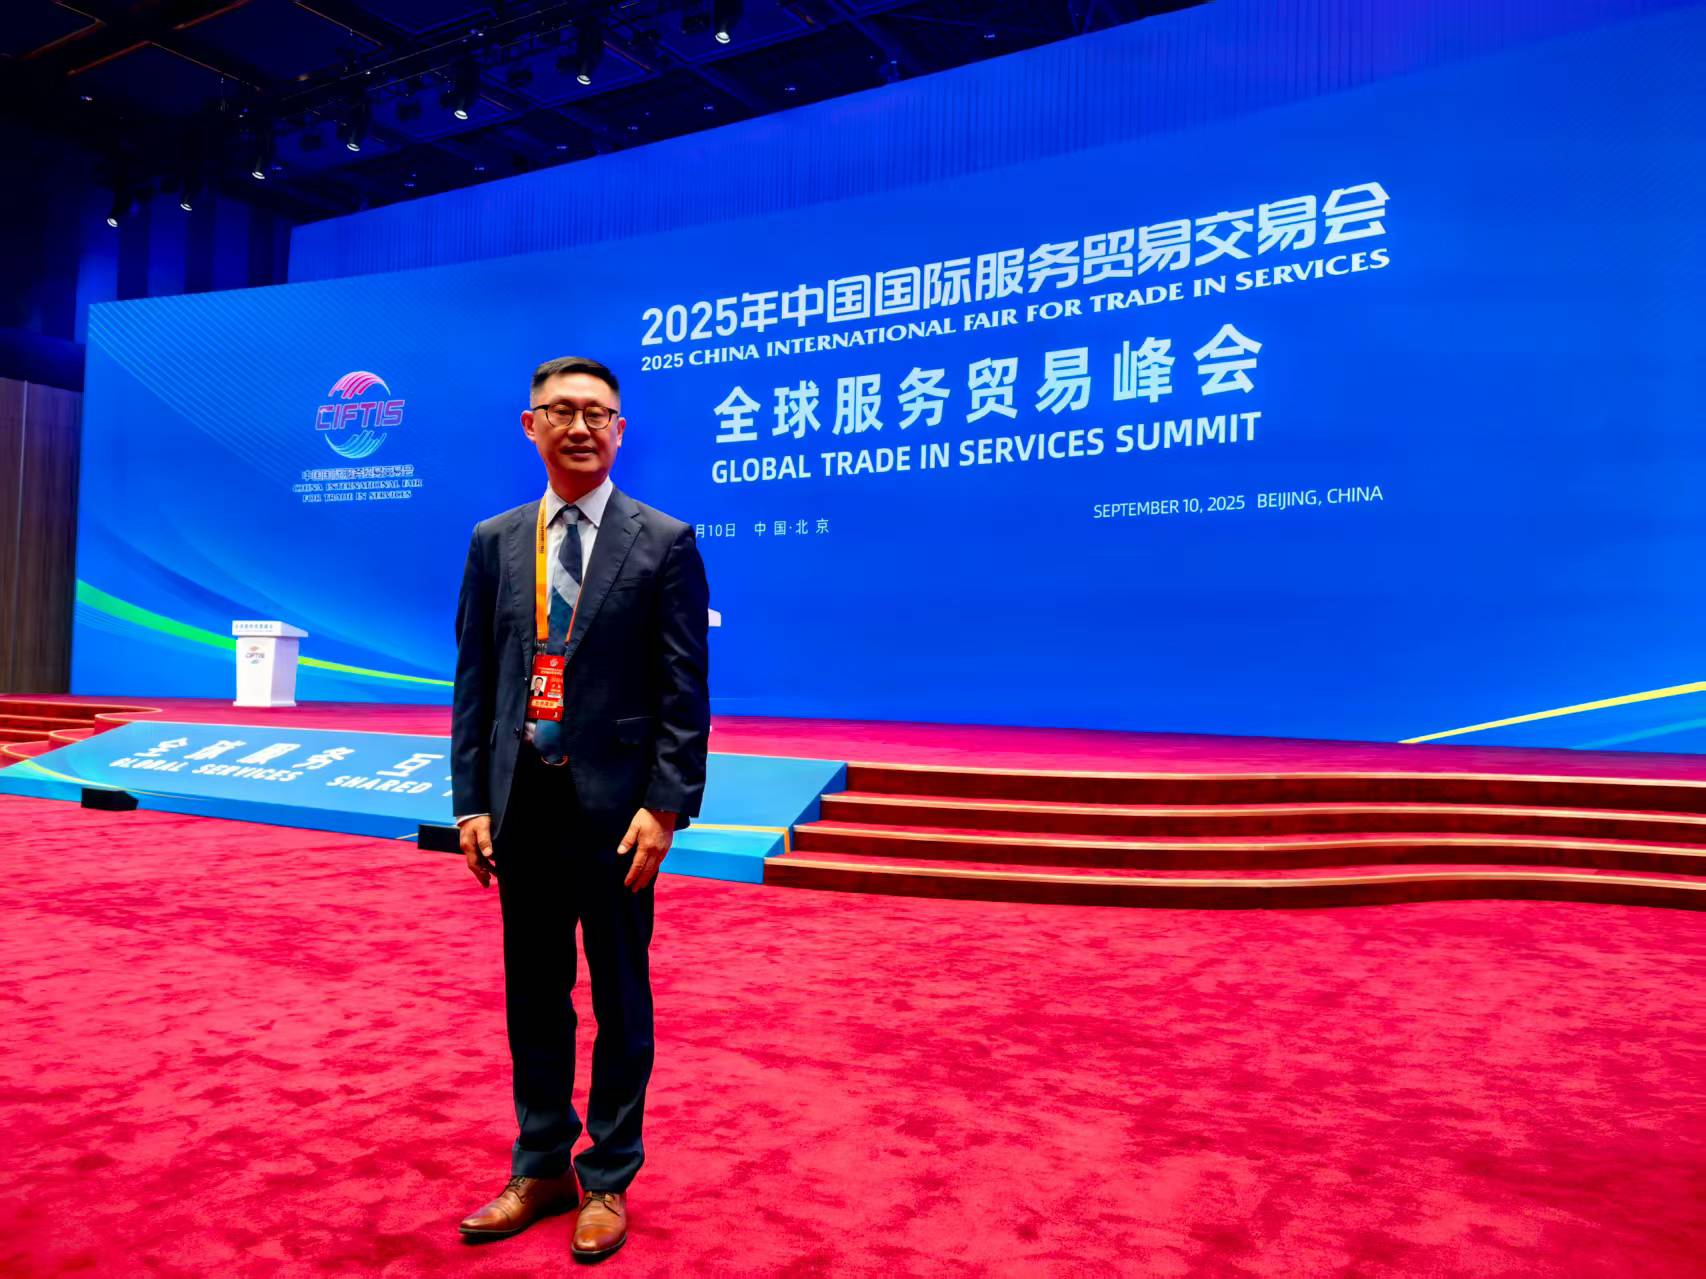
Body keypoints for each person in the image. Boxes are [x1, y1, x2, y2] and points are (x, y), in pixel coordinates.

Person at [450, 355, 710, 1263]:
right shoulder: (495, 540)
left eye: (597, 413)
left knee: (620, 994)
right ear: (531, 426)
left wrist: (666, 806)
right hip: (522, 805)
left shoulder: (664, 540)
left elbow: (684, 689)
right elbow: (476, 681)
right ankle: (541, 1164)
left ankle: (607, 1176)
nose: (580, 427)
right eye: (560, 411)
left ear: (620, 430)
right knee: (534, 994)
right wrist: (471, 801)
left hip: (617, 816)